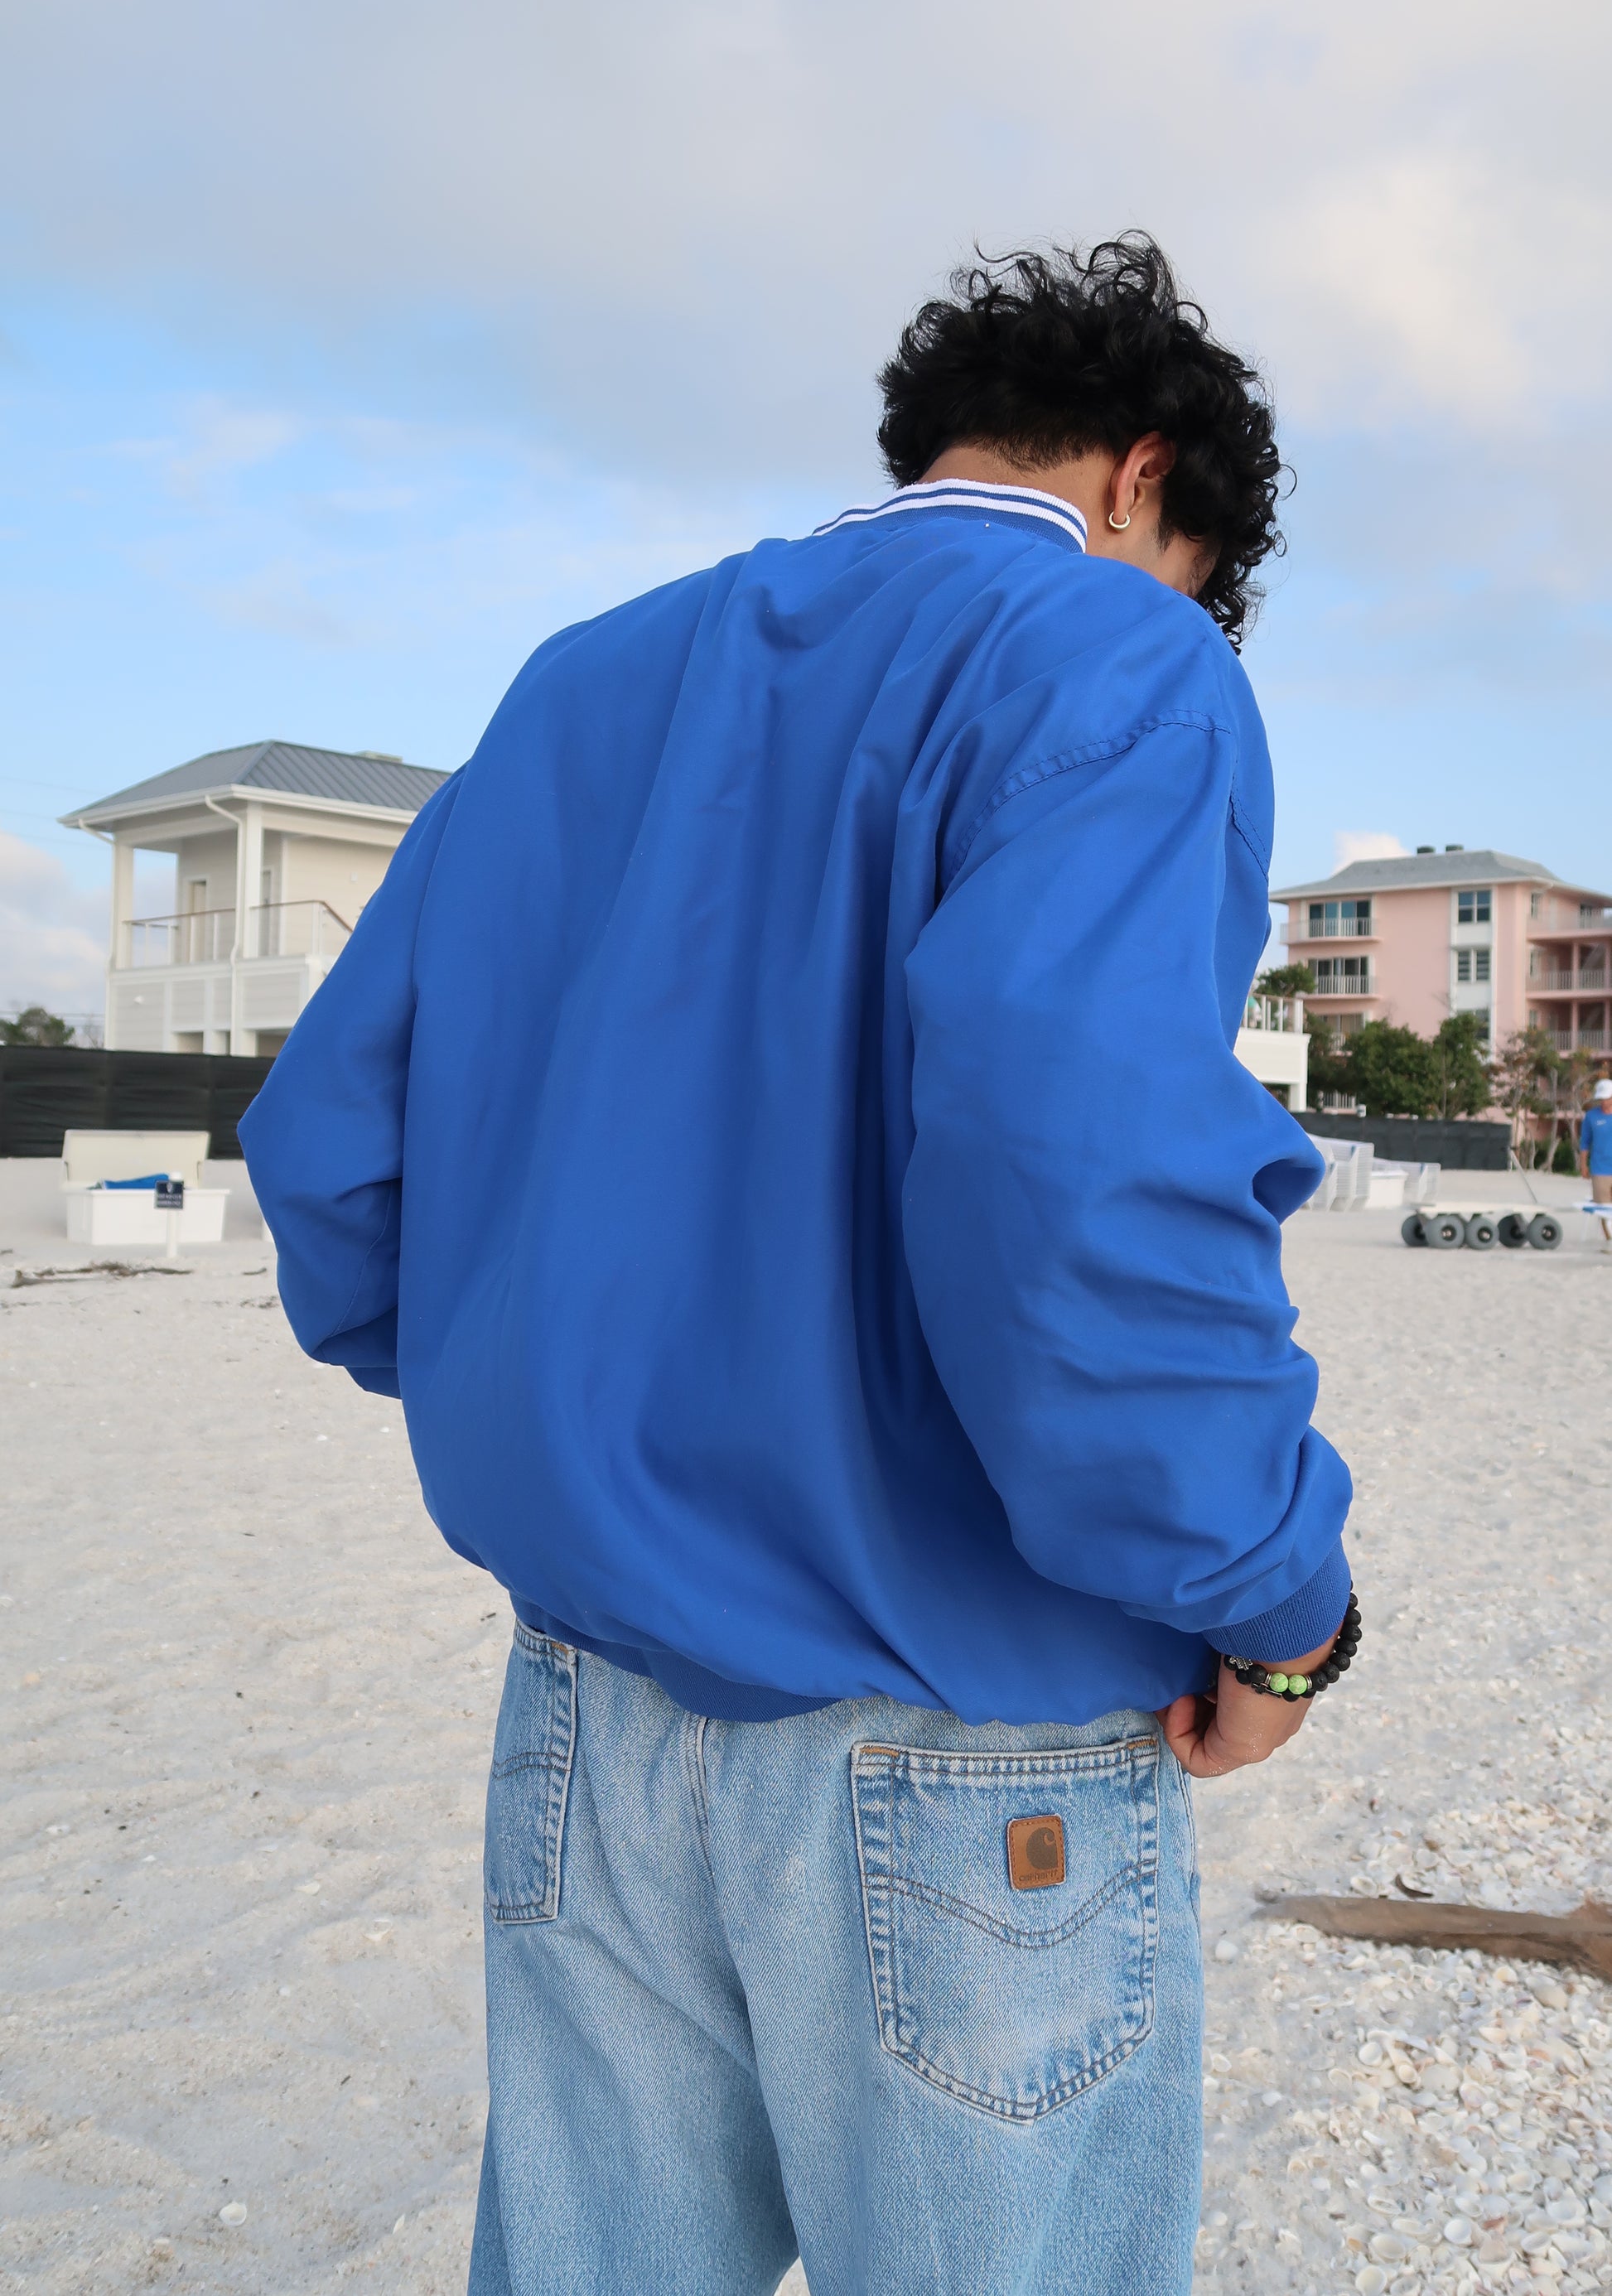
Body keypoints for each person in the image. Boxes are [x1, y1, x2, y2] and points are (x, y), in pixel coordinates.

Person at [241, 236, 1355, 2296]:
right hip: (963, 1720)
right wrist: (1276, 1602)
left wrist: (570, 1405)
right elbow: (1082, 1169)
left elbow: (332, 1157)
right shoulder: (1118, 652)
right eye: (1193, 567)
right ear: (1142, 477)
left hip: (589, 1702)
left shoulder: (588, 676)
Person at [1581, 1076, 1612, 1242]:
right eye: (1601, 1099)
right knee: (1604, 1209)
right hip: (1600, 1169)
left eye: (1607, 1098)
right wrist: (1583, 1165)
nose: (1604, 1102)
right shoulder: (1591, 1116)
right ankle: (1610, 1240)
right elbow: (1585, 1142)